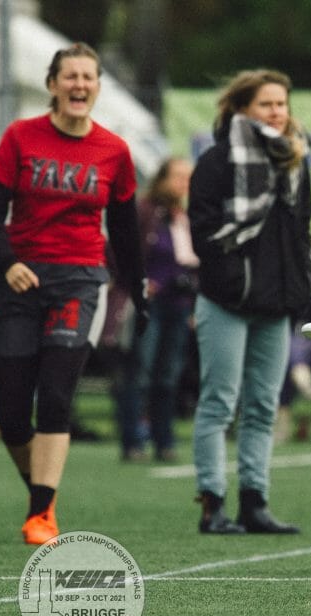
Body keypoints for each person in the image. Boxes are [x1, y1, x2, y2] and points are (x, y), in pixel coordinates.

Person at [0, 43, 146, 545]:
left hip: (80, 280)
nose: (80, 85)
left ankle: (40, 513)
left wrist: (136, 287)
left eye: (88, 77)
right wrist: (8, 263)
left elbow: (124, 230)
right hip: (20, 280)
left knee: (56, 398)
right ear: (53, 84)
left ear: (98, 87)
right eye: (70, 76)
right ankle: (44, 492)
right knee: (13, 414)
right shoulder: (19, 137)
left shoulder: (114, 151)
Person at [188, 69, 311, 535]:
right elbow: (203, 236)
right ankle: (212, 504)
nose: (278, 113)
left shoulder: (295, 163)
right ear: (242, 109)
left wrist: (296, 292)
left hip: (275, 306)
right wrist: (232, 283)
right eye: (267, 104)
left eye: (282, 104)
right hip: (226, 301)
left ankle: (255, 504)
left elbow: (300, 236)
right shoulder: (217, 162)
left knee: (263, 405)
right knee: (219, 402)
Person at [116, 157, 198, 463]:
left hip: (178, 305)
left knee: (168, 375)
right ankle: (133, 440)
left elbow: (191, 261)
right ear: (161, 178)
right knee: (139, 372)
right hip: (148, 304)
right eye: (178, 176)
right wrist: (137, 282)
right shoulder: (145, 210)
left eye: (187, 178)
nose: (183, 184)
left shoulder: (184, 216)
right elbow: (119, 250)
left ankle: (165, 441)